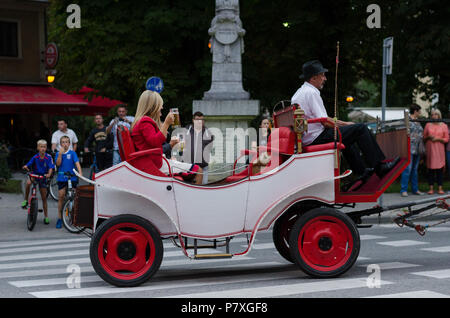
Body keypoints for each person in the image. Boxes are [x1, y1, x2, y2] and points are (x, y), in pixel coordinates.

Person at [291, 60, 399, 186]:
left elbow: (323, 119)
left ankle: (362, 172)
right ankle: (380, 167)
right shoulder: (312, 93)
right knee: (361, 129)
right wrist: (348, 125)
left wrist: (345, 124)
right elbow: (325, 122)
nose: (325, 79)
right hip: (316, 137)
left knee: (348, 135)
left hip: (308, 137)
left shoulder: (300, 92)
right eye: (322, 75)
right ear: (314, 78)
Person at [131, 90, 203, 184]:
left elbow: (153, 143)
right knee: (198, 170)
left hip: (154, 161)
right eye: (160, 104)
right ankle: (194, 197)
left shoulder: (142, 121)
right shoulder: (145, 121)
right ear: (153, 106)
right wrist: (166, 123)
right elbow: (155, 142)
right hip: (156, 164)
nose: (162, 107)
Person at [21, 140, 54, 225]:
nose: (43, 148)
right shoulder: (35, 157)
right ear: (38, 148)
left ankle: (46, 216)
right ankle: (25, 200)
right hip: (35, 175)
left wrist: (49, 174)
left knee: (44, 198)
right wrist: (26, 166)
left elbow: (51, 167)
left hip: (43, 177)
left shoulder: (48, 157)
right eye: (41, 147)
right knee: (28, 183)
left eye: (44, 147)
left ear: (46, 148)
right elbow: (29, 164)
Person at [55, 136, 83, 229]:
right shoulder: (58, 153)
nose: (65, 144)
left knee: (74, 196)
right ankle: (59, 218)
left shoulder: (72, 153)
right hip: (62, 177)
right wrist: (60, 154)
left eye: (67, 142)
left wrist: (80, 173)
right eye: (63, 142)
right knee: (61, 196)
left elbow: (77, 163)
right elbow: (58, 164)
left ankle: (74, 217)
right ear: (60, 144)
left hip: (72, 177)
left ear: (69, 143)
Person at [400, 104, 425, 197]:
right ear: (415, 111)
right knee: (407, 169)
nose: (420, 113)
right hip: (409, 148)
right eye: (419, 111)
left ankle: (415, 189)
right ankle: (403, 190)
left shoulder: (418, 121)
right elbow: (404, 133)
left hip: (417, 149)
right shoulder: (408, 120)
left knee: (414, 170)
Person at [183, 111, 214, 184]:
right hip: (188, 166)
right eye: (197, 119)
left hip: (203, 167)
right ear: (193, 120)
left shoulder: (208, 133)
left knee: (203, 190)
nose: (199, 122)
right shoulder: (186, 130)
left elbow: (209, 148)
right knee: (188, 189)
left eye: (202, 120)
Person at [423, 108, 449, 195]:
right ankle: (431, 188)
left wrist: (438, 139)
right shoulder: (428, 125)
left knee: (439, 170)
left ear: (439, 115)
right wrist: (429, 137)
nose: (434, 116)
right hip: (430, 150)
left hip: (439, 150)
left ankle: (440, 188)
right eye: (432, 114)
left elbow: (446, 139)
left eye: (436, 114)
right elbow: (424, 138)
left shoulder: (444, 125)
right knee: (430, 169)